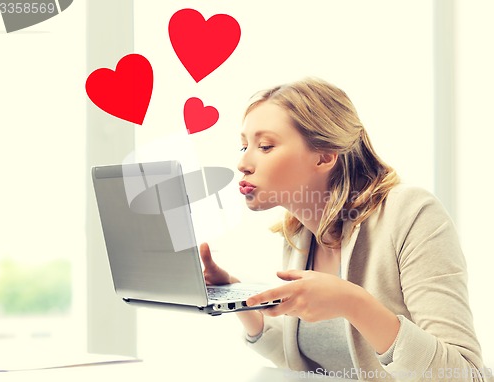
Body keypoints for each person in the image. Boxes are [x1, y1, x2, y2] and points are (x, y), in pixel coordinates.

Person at [200, 78, 490, 381]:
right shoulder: (300, 234)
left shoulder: (412, 213)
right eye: (244, 145)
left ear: (324, 156)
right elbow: (316, 363)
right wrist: (236, 298)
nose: (243, 163)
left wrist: (352, 303)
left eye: (265, 146)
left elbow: (464, 374)